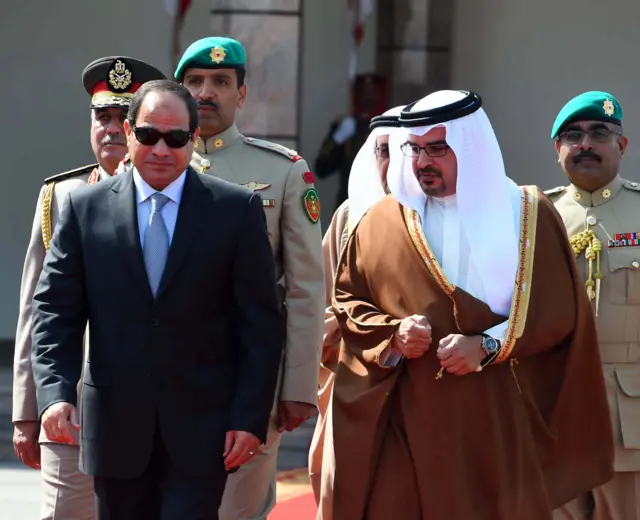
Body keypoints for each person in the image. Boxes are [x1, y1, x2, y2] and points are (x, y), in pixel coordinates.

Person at [329, 90, 614, 519]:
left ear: (471, 146)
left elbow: (558, 312)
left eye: (439, 149)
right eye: (416, 149)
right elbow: (348, 300)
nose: (423, 162)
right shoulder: (381, 221)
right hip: (408, 415)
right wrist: (392, 333)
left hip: (496, 418)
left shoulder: (527, 214)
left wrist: (487, 346)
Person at [30, 79, 284, 520]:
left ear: (193, 139)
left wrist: (249, 417)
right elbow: (54, 312)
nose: (162, 149)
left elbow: (260, 326)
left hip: (203, 432)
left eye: (177, 138)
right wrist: (54, 394)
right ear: (128, 132)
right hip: (114, 428)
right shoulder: (84, 208)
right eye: (148, 135)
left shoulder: (236, 210)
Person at [173, 36, 325, 520]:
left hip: (247, 383)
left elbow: (305, 287)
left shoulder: (280, 171)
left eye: (221, 82)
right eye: (194, 82)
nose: (206, 92)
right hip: (162, 380)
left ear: (241, 94)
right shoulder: (152, 167)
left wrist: (298, 385)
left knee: (237, 512)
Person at [12, 55, 165, 520]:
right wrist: (26, 408)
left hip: (155, 399)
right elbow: (36, 309)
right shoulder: (61, 195)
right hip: (72, 400)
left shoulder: (178, 198)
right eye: (103, 116)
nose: (113, 128)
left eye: (125, 118)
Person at [546, 91, 640, 520]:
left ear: (620, 145)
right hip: (553, 407)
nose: (584, 144)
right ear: (558, 149)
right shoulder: (533, 217)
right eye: (572, 135)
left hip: (629, 417)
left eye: (598, 133)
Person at [308, 105, 404, 520]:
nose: (392, 161)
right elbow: (323, 306)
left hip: (421, 383)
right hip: (352, 376)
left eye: (403, 150)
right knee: (333, 482)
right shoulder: (348, 216)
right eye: (382, 150)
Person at [314, 74, 388, 210]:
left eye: (373, 93)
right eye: (364, 93)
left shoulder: (389, 127)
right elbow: (321, 168)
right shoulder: (346, 125)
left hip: (381, 204)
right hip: (350, 205)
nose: (368, 98)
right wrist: (337, 139)